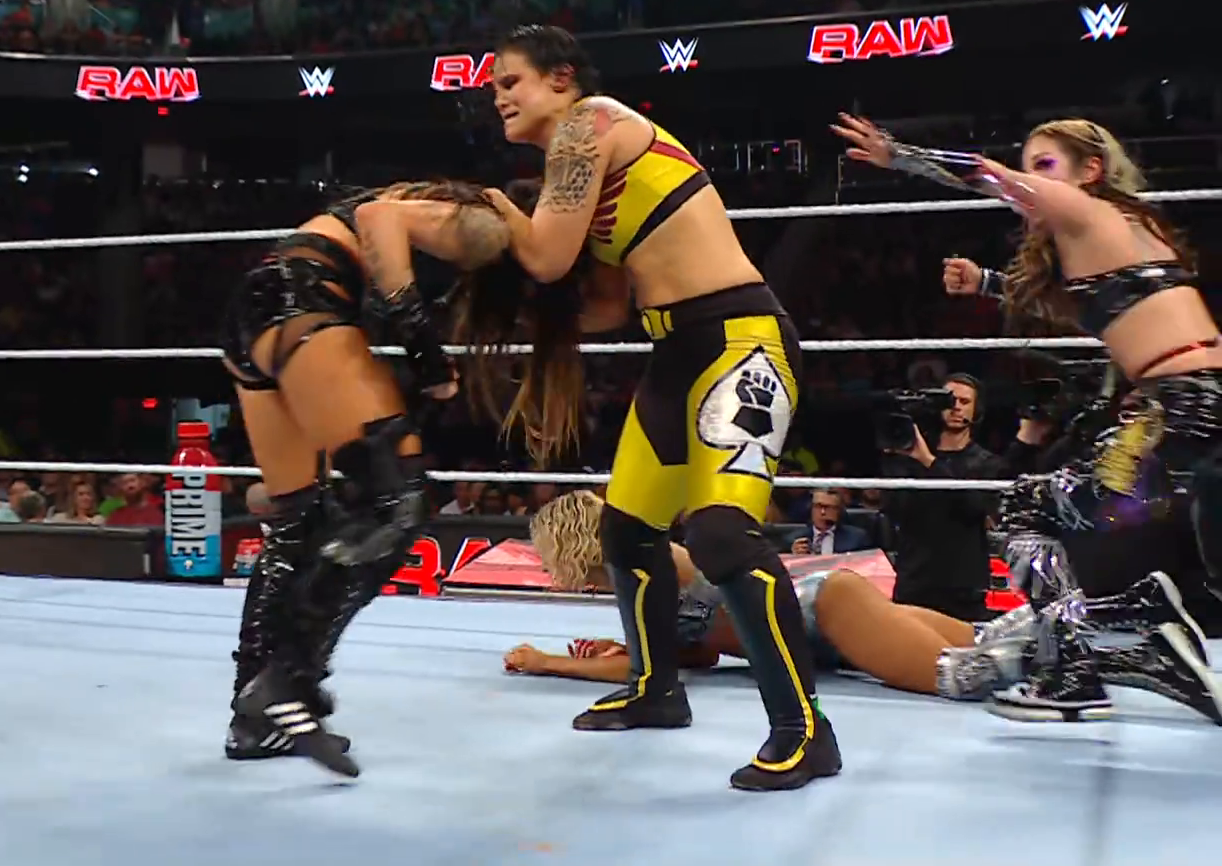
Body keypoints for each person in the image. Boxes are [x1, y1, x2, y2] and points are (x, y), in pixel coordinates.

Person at [481, 24, 832, 790]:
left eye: (511, 81)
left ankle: (804, 731)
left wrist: (486, 211)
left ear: (561, 78)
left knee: (720, 534)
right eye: (495, 86)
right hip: (674, 352)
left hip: (740, 341)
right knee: (627, 529)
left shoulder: (590, 123)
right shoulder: (575, 169)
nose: (498, 96)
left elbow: (544, 255)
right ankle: (655, 688)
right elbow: (607, 305)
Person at [833, 114, 1222, 721]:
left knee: (1029, 511)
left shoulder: (1083, 209)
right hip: (1188, 406)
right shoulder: (1127, 226)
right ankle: (1140, 616)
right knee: (1078, 519)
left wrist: (897, 155)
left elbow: (986, 175)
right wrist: (987, 282)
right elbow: (1093, 313)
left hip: (1181, 410)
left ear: (1090, 170)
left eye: (1045, 165)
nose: (1032, 179)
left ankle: (1076, 672)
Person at [220, 178, 586, 778]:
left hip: (259, 306)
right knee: (397, 500)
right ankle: (288, 681)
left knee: (296, 521)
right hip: (304, 300)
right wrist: (424, 351)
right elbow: (378, 217)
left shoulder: (446, 212)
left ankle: (254, 719)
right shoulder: (486, 220)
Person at [503, 492, 1219, 721]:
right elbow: (695, 652)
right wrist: (625, 648)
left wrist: (546, 663)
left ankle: (1139, 645)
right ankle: (1131, 615)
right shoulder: (661, 564)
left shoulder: (646, 573)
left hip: (830, 617)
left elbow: (647, 674)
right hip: (828, 608)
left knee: (960, 674)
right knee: (988, 637)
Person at [880, 374, 1002, 621]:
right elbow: (894, 508)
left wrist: (928, 462)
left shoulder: (987, 463)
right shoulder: (911, 457)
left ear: (977, 410)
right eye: (950, 400)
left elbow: (973, 508)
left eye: (964, 402)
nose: (956, 407)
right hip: (915, 582)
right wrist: (898, 458)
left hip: (962, 588)